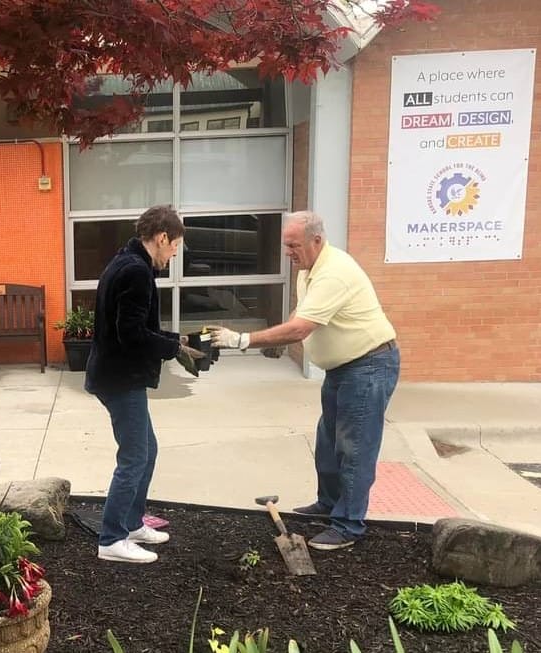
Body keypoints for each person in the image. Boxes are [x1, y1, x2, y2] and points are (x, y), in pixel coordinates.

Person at [206, 211, 399, 551]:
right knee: (328, 442)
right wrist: (274, 342)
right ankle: (328, 505)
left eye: (294, 245)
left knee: (354, 448)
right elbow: (299, 317)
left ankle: (348, 525)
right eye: (286, 245)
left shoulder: (335, 273)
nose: (288, 252)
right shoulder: (309, 271)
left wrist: (243, 340)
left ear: (317, 240)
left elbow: (301, 328)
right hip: (343, 368)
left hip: (368, 365)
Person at [86, 205, 206, 564]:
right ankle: (112, 538)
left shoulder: (127, 260)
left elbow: (133, 326)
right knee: (134, 457)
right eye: (174, 248)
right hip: (120, 379)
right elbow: (131, 334)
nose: (173, 256)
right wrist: (174, 348)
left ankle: (132, 522)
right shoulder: (136, 271)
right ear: (162, 237)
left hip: (115, 375)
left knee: (147, 450)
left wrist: (177, 340)